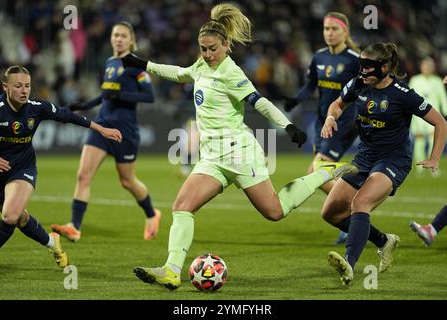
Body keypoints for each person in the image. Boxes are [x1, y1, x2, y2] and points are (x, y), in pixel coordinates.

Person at [121, 3, 358, 290]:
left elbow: (259, 102)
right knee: (182, 206)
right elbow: (181, 73)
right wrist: (143, 64)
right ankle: (171, 271)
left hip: (239, 153)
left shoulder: (231, 72)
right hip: (212, 157)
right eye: (203, 48)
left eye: (212, 49)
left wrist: (288, 126)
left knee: (275, 212)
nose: (207, 55)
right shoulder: (202, 64)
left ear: (226, 46)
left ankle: (325, 173)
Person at [320, 43, 447, 285]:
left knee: (360, 202)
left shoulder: (403, 94)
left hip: (393, 160)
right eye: (362, 65)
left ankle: (349, 263)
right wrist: (330, 117)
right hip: (364, 158)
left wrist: (434, 157)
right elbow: (337, 104)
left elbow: (441, 123)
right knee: (330, 213)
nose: (363, 71)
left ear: (385, 67)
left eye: (369, 66)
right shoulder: (357, 84)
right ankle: (383, 240)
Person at [0, 65, 122, 268]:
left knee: (10, 215)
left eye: (27, 86)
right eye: (18, 86)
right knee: (19, 218)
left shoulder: (36, 107)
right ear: (5, 87)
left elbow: (67, 116)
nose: (24, 90)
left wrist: (101, 129)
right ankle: (51, 242)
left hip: (22, 168)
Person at [51, 22, 161, 242]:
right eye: (116, 35)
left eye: (123, 36)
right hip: (102, 125)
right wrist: (84, 105)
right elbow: (106, 95)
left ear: (131, 40)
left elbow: (149, 96)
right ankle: (75, 226)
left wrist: (122, 96)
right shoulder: (110, 63)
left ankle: (152, 213)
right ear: (111, 38)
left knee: (127, 181)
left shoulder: (136, 66)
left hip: (125, 131)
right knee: (83, 175)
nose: (119, 39)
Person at [284, 12, 361, 245]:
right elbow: (310, 85)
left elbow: (366, 87)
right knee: (317, 170)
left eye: (334, 29)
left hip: (344, 121)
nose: (329, 33)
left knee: (315, 170)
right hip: (322, 121)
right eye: (326, 29)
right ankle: (352, 210)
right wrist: (296, 100)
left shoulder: (354, 59)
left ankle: (354, 207)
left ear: (345, 32)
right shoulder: (318, 57)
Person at [409, 58, 447, 176]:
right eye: (425, 66)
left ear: (433, 68)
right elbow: (408, 97)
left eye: (429, 66)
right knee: (419, 141)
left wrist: (445, 111)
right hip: (418, 117)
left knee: (434, 140)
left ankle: (434, 167)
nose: (426, 69)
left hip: (434, 115)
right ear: (421, 67)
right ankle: (420, 168)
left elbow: (442, 97)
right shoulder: (415, 80)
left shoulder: (436, 81)